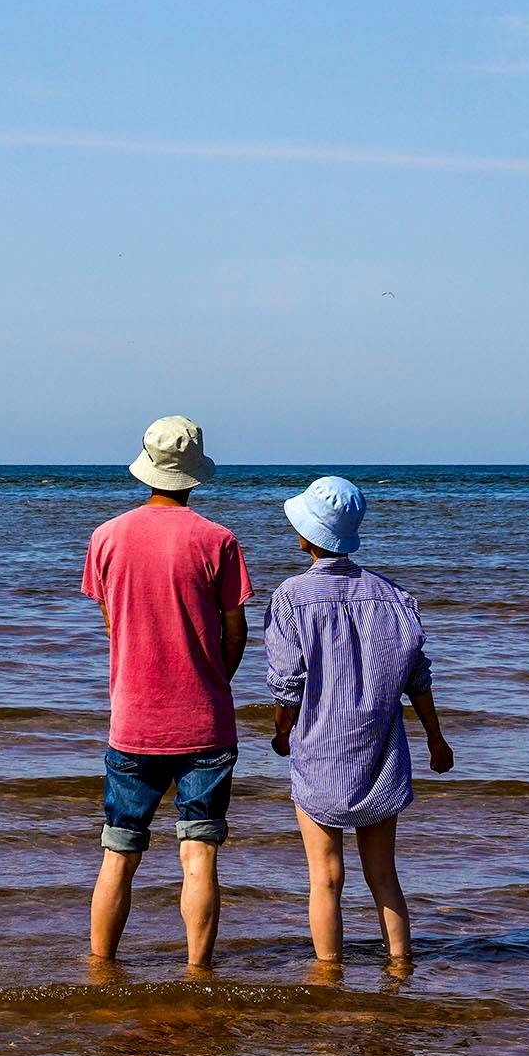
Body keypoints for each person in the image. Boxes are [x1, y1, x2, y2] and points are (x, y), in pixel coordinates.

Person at [82, 415, 253, 969]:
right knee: (199, 853)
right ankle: (198, 972)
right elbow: (235, 631)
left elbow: (114, 623)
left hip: (133, 719)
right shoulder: (218, 540)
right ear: (194, 474)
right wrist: (212, 681)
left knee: (118, 851)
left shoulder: (106, 537)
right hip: (204, 721)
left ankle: (101, 968)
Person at [263, 475, 453, 967]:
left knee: (325, 878)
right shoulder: (393, 597)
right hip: (379, 752)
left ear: (308, 536)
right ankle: (400, 965)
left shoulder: (290, 598)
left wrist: (282, 732)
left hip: (320, 753)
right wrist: (436, 739)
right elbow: (418, 678)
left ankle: (329, 976)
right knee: (383, 875)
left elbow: (288, 684)